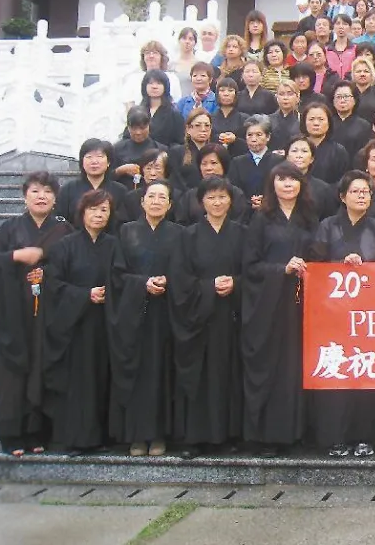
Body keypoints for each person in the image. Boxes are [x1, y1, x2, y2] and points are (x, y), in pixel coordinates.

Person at [0, 171, 72, 455]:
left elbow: (73, 266)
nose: (41, 196)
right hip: (13, 317)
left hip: (49, 315)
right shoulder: (8, 230)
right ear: (25, 196)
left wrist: (45, 272)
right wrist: (16, 256)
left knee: (44, 371)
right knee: (11, 378)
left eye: (47, 191)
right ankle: (12, 435)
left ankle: (37, 432)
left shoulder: (65, 230)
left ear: (56, 198)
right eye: (35, 191)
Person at [307, 172, 375, 458]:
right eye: (355, 191)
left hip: (369, 316)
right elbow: (315, 266)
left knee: (366, 373)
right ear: (342, 196)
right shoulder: (327, 227)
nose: (361, 196)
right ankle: (335, 437)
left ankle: (365, 436)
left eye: (366, 192)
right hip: (333, 315)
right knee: (337, 374)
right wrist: (338, 265)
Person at [241, 162, 318, 456]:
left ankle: (297, 432)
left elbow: (319, 254)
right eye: (281, 179)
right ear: (272, 184)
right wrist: (281, 269)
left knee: (298, 365)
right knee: (272, 366)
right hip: (269, 304)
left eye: (293, 179)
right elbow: (250, 265)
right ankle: (268, 436)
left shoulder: (309, 219)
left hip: (302, 303)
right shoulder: (261, 219)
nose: (287, 184)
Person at [168, 175, 246, 458]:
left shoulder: (241, 233)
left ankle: (228, 435)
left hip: (230, 317)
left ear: (231, 201)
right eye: (211, 197)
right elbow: (179, 279)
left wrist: (236, 283)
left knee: (229, 374)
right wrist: (208, 287)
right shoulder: (186, 236)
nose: (217, 202)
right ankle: (196, 437)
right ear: (201, 201)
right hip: (198, 318)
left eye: (222, 197)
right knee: (199, 376)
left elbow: (251, 272)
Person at [107, 180, 181, 457]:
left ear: (170, 204)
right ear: (142, 201)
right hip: (134, 313)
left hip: (167, 313)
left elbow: (186, 271)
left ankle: (159, 435)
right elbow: (117, 275)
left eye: (163, 197)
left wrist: (169, 280)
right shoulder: (126, 232)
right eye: (152, 196)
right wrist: (142, 284)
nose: (157, 201)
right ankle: (136, 436)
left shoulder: (178, 233)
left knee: (161, 372)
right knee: (136, 373)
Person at [42, 188, 113, 454]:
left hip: (105, 323)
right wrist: (85, 295)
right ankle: (76, 439)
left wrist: (110, 293)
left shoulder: (114, 245)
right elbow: (55, 285)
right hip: (75, 325)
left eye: (104, 210)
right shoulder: (64, 246)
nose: (98, 214)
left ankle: (101, 436)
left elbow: (122, 279)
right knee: (78, 382)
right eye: (94, 209)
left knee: (102, 377)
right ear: (82, 212)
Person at [58, 139, 129, 228]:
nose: (94, 161)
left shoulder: (120, 190)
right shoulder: (68, 188)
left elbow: (123, 223)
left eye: (99, 156)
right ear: (82, 162)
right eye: (89, 157)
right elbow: (60, 220)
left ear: (109, 162)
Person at [228, 115, 283, 210]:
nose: (253, 139)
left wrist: (266, 201)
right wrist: (249, 203)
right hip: (244, 214)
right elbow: (233, 191)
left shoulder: (279, 161)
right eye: (250, 135)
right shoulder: (237, 162)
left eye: (258, 134)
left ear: (268, 136)